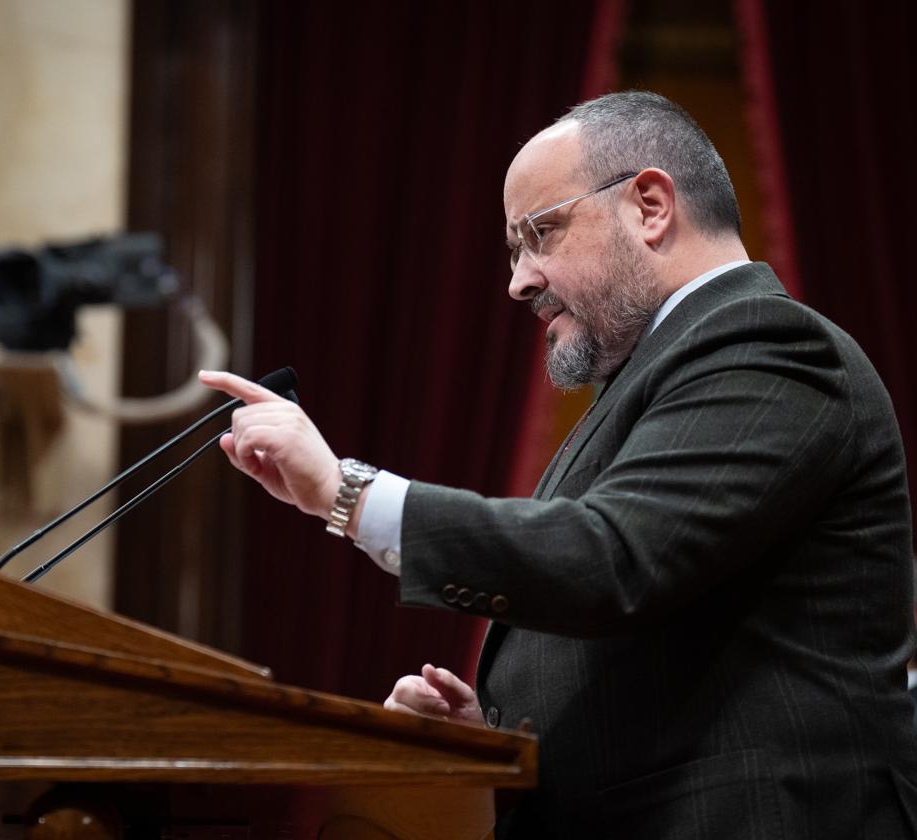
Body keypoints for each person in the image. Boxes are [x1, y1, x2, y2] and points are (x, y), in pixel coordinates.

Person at [200, 91, 917, 839]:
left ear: (649, 205)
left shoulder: (769, 345)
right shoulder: (658, 375)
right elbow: (669, 654)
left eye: (540, 233)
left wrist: (344, 492)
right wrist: (506, 742)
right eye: (514, 250)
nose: (520, 280)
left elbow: (612, 559)